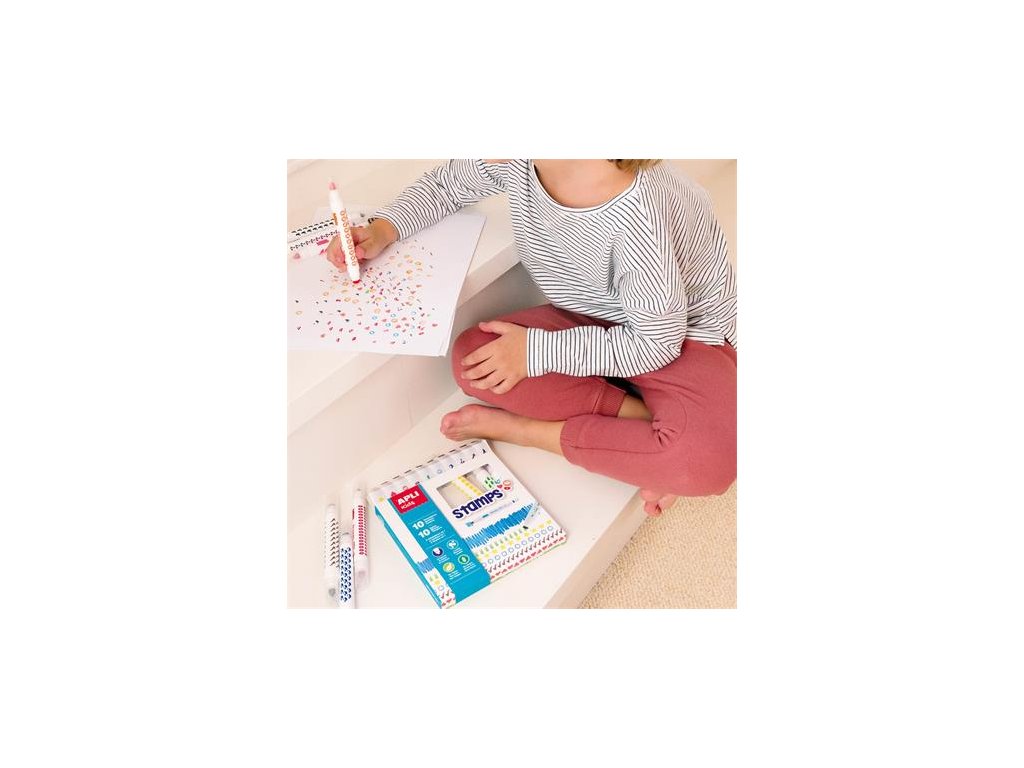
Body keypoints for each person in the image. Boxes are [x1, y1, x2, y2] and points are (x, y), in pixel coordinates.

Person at [326, 159, 736, 516]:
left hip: (685, 340)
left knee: (708, 460)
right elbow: (448, 183)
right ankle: (643, 424)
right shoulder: (521, 158)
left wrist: (536, 352)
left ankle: (527, 432)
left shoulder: (639, 218)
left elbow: (655, 343)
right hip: (593, 320)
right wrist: (384, 228)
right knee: (475, 359)